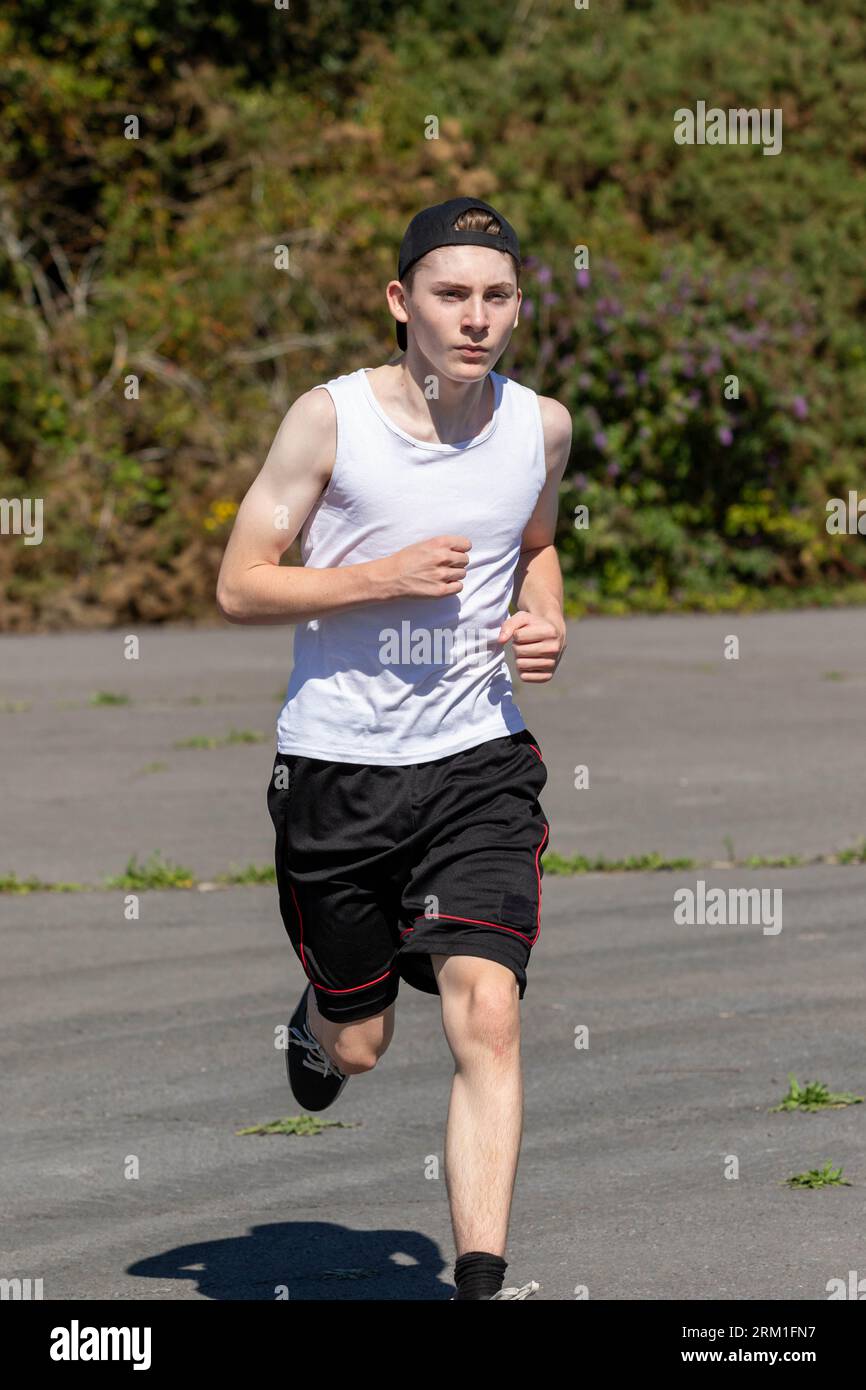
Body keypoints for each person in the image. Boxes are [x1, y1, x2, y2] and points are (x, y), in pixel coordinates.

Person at [216, 196, 572, 1300]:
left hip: (477, 761)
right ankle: (322, 1020)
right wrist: (376, 576)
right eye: (450, 294)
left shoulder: (539, 426)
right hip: (337, 771)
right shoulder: (329, 421)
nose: (474, 319)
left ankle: (476, 1283)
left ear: (517, 307)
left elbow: (535, 543)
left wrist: (544, 615)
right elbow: (238, 583)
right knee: (362, 1042)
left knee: (488, 1010)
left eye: (495, 296)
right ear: (400, 302)